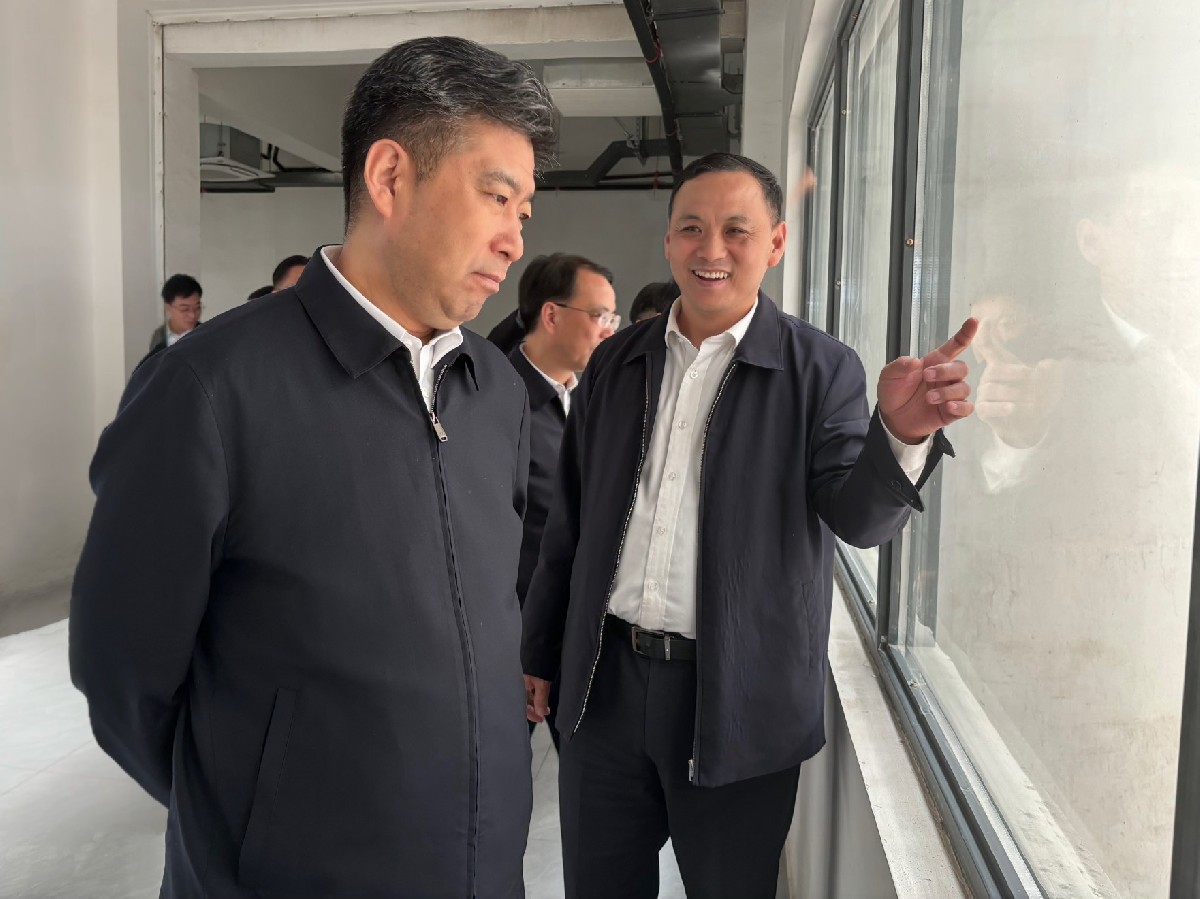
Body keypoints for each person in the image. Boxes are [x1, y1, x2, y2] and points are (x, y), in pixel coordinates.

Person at [70, 36, 557, 899]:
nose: (514, 239)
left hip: (481, 869)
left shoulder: (496, 392)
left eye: (524, 209)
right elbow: (123, 673)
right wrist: (255, 811)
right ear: (391, 176)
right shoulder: (211, 387)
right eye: (496, 197)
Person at [521, 152, 977, 898]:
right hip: (605, 688)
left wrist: (899, 435)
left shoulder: (820, 369)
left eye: (737, 230)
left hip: (738, 698)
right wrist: (540, 649)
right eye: (691, 228)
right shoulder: (615, 364)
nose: (712, 249)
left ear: (776, 243)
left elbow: (858, 519)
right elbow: (567, 523)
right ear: (668, 240)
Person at [507, 253, 618, 749]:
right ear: (551, 315)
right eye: (598, 315)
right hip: (515, 642)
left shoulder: (590, 397)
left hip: (574, 634)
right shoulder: (497, 399)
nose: (609, 331)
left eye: (612, 317)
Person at [147, 274, 202, 355]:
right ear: (168, 307)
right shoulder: (158, 336)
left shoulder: (206, 334)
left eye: (197, 307)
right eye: (184, 309)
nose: (192, 315)